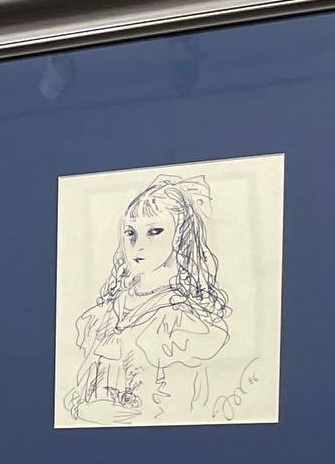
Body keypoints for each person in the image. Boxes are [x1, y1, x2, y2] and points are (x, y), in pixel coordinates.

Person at [63, 173, 231, 423]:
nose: (138, 245)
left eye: (155, 231)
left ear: (181, 236)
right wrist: (81, 410)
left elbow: (181, 411)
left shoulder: (184, 320)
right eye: (130, 233)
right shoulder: (99, 316)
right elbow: (72, 391)